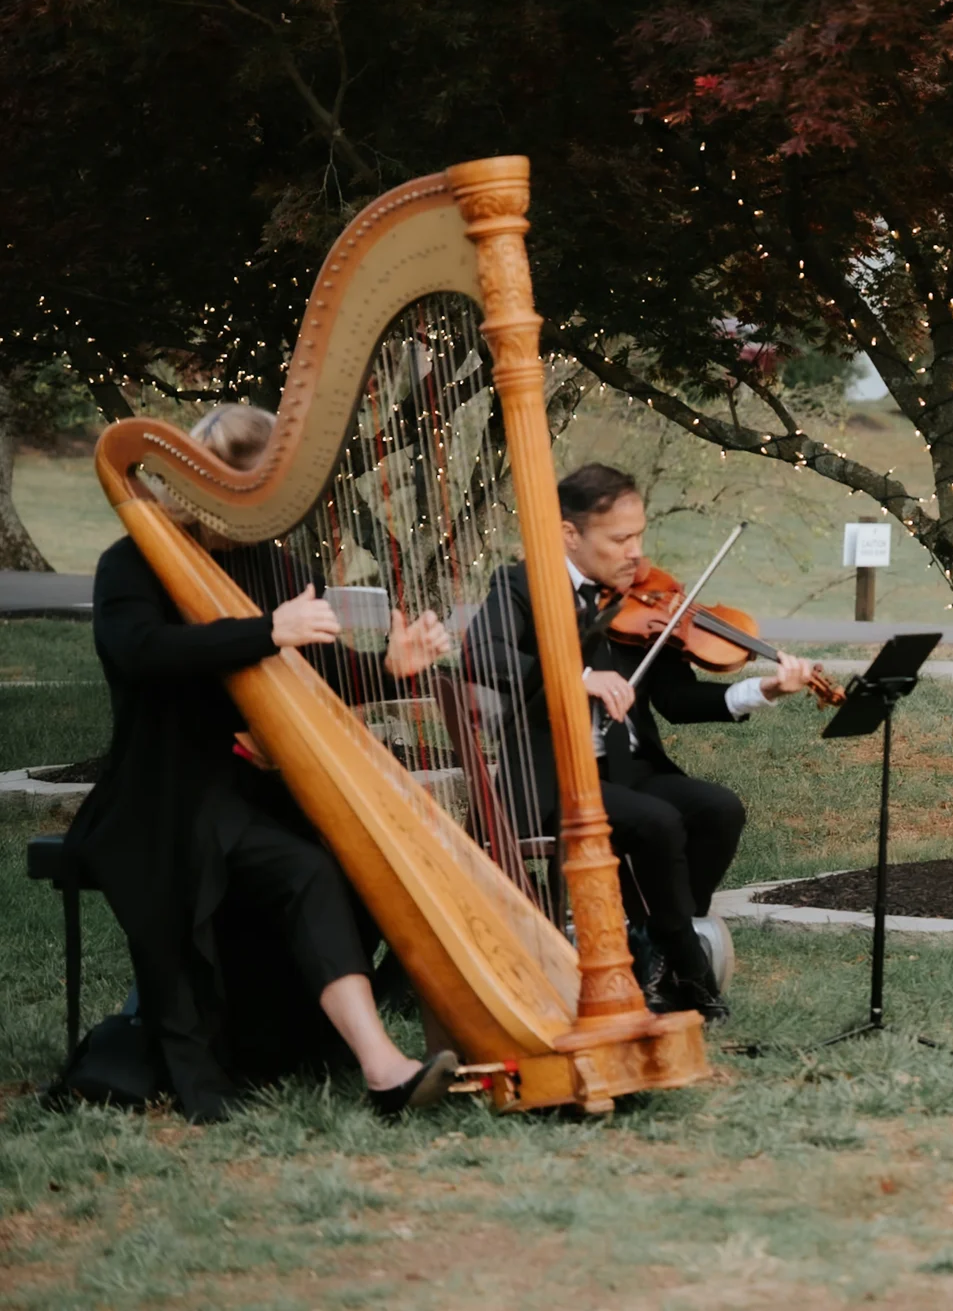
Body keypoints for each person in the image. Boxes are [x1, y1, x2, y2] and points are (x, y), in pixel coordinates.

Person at [65, 404, 461, 1123]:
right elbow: (142, 653)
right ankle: (367, 1061)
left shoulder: (269, 561)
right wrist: (266, 629)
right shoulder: (130, 562)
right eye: (248, 495)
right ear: (207, 489)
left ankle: (352, 1053)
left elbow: (317, 665)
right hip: (161, 795)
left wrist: (390, 668)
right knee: (303, 865)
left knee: (340, 861)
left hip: (240, 789)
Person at [463, 463, 817, 1020]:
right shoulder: (521, 587)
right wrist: (578, 679)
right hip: (549, 779)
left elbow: (677, 700)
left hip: (625, 769)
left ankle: (651, 946)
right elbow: (481, 655)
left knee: (718, 809)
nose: (635, 552)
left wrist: (763, 689)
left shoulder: (636, 601)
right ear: (569, 534)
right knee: (656, 821)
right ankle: (685, 964)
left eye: (640, 535)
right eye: (620, 538)